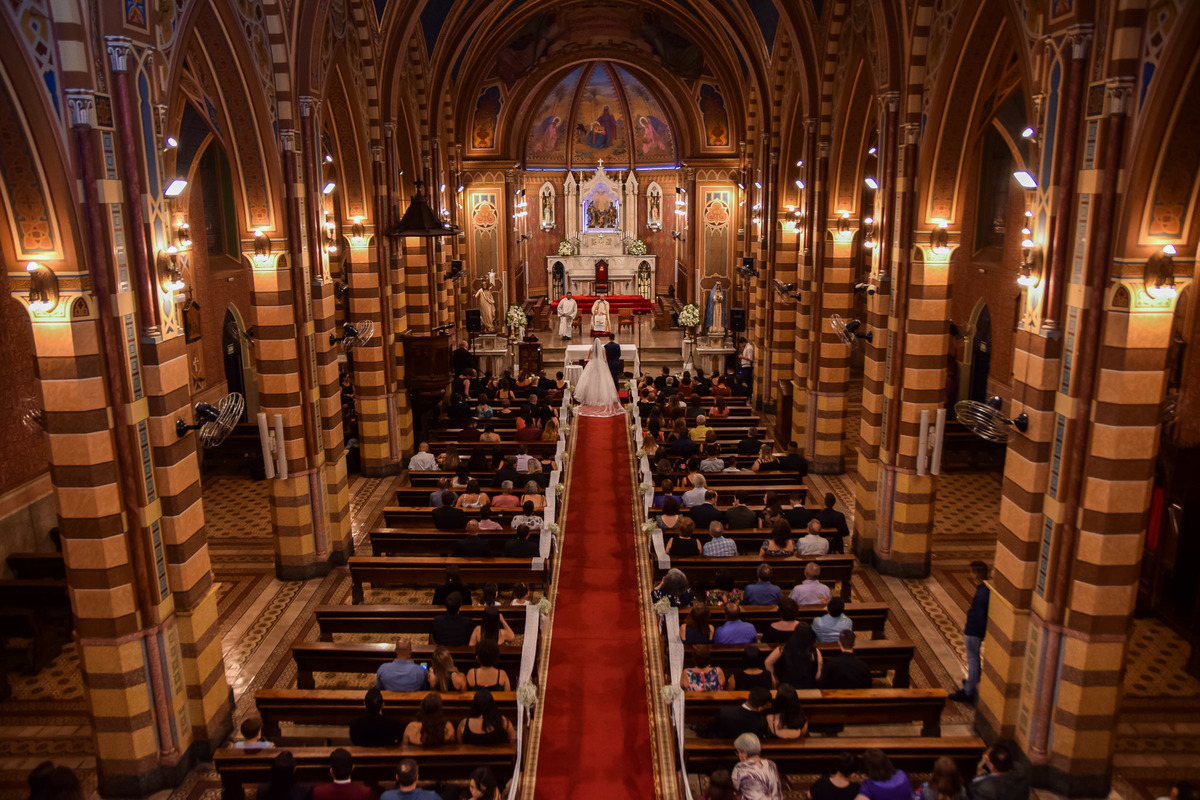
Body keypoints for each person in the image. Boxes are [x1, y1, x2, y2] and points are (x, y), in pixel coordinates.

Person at [952, 560, 991, 703]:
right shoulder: (985, 589)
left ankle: (968, 692)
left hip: (974, 631)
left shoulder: (982, 593)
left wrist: (974, 630)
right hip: (975, 631)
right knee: (974, 659)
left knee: (973, 660)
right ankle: (972, 682)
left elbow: (979, 616)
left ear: (975, 574)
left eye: (971, 572)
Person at [765, 624, 822, 689]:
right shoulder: (816, 651)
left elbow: (768, 662)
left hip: (786, 688)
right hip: (808, 688)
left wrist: (775, 680)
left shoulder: (783, 648)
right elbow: (818, 676)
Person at [574, 337, 622, 414]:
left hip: (592, 364)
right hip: (601, 365)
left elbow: (589, 358)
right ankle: (601, 397)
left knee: (591, 380)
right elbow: (605, 358)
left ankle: (590, 397)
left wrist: (593, 360)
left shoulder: (591, 349)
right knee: (602, 380)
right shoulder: (603, 349)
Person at [730, 733, 783, 800]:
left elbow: (735, 789)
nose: (738, 755)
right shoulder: (771, 765)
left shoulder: (740, 767)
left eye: (738, 752)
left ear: (745, 753)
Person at [706, 686, 772, 740]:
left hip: (723, 746)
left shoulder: (724, 712)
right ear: (760, 708)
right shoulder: (762, 722)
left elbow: (714, 730)